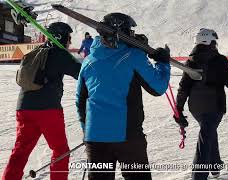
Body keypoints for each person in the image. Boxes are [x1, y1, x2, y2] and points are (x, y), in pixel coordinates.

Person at [76, 13, 171, 180]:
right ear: (122, 32)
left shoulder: (88, 60)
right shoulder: (133, 56)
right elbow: (158, 87)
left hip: (95, 138)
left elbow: (80, 101)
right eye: (129, 31)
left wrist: (87, 131)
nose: (132, 36)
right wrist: (163, 63)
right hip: (127, 137)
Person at [2, 22, 81, 180]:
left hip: (24, 108)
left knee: (21, 149)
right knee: (60, 150)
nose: (70, 42)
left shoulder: (36, 52)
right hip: (48, 110)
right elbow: (82, 74)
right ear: (61, 36)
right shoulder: (59, 54)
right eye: (69, 37)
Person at [174, 28, 228, 180]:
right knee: (205, 137)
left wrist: (178, 109)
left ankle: (215, 166)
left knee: (208, 131)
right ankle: (199, 176)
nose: (216, 45)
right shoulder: (219, 60)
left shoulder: (190, 61)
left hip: (196, 108)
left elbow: (184, 88)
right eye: (214, 42)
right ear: (209, 42)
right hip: (214, 107)